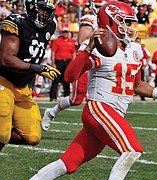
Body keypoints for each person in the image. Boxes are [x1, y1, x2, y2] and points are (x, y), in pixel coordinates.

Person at [1, 2, 157, 180]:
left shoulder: (135, 49)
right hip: (99, 109)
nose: (129, 27)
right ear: (111, 22)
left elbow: (137, 85)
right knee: (132, 149)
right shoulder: (98, 46)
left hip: (114, 114)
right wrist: (88, 48)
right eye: (125, 22)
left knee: (67, 164)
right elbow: (69, 76)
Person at [41, 0, 113, 131]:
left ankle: (101, 126)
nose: (101, 9)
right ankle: (51, 112)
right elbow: (83, 40)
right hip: (89, 61)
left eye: (103, 6)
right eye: (98, 6)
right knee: (76, 98)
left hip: (104, 63)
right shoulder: (90, 19)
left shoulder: (112, 21)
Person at [0, 0, 61, 151]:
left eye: (49, 11)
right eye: (43, 10)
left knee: (33, 137)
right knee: (2, 134)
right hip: (4, 80)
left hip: (23, 86)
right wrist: (37, 68)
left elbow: (34, 55)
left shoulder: (50, 26)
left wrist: (31, 82)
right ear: (32, 7)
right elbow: (6, 59)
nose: (46, 15)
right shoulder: (16, 22)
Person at [49, 26, 76, 102]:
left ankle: (66, 96)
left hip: (68, 61)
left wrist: (73, 63)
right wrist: (53, 63)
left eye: (67, 32)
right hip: (59, 61)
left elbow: (73, 53)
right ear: (62, 32)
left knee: (67, 79)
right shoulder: (57, 41)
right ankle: (53, 97)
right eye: (64, 32)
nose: (65, 34)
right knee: (56, 79)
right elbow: (53, 52)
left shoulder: (72, 41)